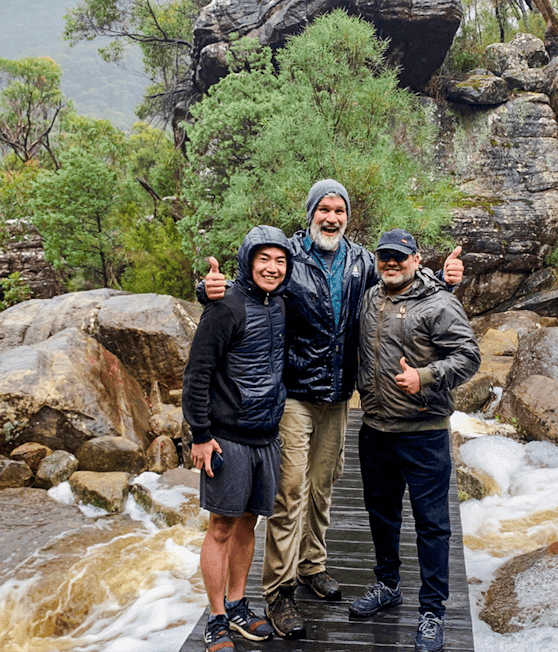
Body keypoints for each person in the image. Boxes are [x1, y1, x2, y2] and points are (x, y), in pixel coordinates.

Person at [203, 180, 464, 639]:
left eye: (339, 209)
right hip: (296, 395)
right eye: (323, 209)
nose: (331, 217)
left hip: (341, 397)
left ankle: (313, 564)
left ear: (348, 216)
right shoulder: (289, 256)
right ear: (310, 214)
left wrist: (447, 281)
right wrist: (207, 291)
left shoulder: (363, 261)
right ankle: (280, 590)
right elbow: (250, 283)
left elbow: (403, 286)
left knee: (323, 486)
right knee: (289, 493)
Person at [348, 228, 480, 652]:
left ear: (416, 259)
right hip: (375, 431)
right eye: (385, 256)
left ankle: (432, 612)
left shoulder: (440, 302)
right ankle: (387, 586)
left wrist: (423, 377)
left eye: (399, 257)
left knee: (433, 526)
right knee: (382, 516)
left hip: (424, 434)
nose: (391, 263)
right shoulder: (369, 298)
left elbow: (468, 356)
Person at [183, 225, 292, 652]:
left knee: (250, 522)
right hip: (227, 436)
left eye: (280, 260)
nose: (272, 267)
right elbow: (197, 373)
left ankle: (238, 605)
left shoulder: (282, 303)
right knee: (222, 525)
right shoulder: (225, 306)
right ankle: (216, 619)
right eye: (263, 258)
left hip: (266, 434)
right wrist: (200, 435)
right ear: (248, 261)